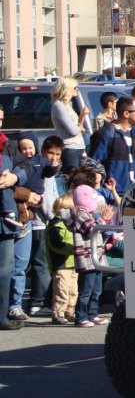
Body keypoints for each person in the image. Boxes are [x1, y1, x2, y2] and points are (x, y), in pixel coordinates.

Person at [8, 133, 62, 321]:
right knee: (28, 264)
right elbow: (13, 184)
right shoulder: (18, 165)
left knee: (21, 265)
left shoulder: (40, 163)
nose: (27, 151)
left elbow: (50, 172)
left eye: (30, 147)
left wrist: (55, 166)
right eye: (24, 148)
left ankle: (16, 304)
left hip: (30, 220)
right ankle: (34, 303)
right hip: (27, 219)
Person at [0, 107, 28, 330]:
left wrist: (14, 177)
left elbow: (27, 166)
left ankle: (2, 316)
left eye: (1, 120)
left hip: (5, 220)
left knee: (5, 268)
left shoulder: (8, 145)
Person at [91, 95, 135, 196]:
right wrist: (108, 190)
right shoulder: (105, 134)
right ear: (126, 113)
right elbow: (94, 164)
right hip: (115, 194)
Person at [72, 184, 111, 327]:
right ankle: (81, 316)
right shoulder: (81, 214)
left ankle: (93, 314)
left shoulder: (91, 214)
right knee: (86, 290)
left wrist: (101, 217)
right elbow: (92, 230)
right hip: (87, 258)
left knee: (97, 290)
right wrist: (103, 219)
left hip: (97, 257)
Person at [46, 194, 77, 325]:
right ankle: (58, 313)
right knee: (62, 290)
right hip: (61, 263)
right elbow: (56, 244)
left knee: (73, 290)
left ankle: (70, 311)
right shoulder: (56, 224)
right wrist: (72, 249)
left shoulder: (70, 224)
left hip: (73, 263)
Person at [51, 76, 89, 173]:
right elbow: (73, 130)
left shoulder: (67, 105)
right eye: (74, 87)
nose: (76, 90)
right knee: (73, 180)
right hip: (70, 149)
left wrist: (82, 115)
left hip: (79, 147)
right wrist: (80, 128)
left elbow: (77, 126)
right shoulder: (58, 106)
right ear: (67, 89)